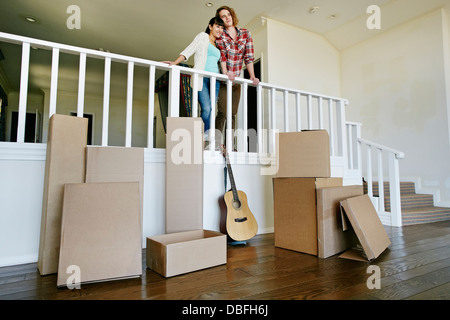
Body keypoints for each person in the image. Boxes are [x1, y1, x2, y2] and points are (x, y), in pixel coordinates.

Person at [163, 17, 225, 139]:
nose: (220, 30)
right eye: (218, 26)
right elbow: (190, 49)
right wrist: (175, 62)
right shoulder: (203, 36)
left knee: (211, 109)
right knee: (206, 108)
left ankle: (205, 135)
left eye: (222, 28)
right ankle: (204, 134)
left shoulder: (218, 44)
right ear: (210, 26)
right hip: (201, 78)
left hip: (215, 80)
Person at [215, 5, 259, 138]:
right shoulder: (220, 35)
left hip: (236, 82)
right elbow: (222, 56)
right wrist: (226, 72)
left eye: (228, 14)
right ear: (220, 20)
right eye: (223, 16)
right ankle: (216, 143)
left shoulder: (245, 33)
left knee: (232, 114)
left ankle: (229, 145)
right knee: (222, 112)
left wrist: (252, 76)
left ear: (232, 15)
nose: (226, 18)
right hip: (223, 80)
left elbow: (249, 57)